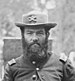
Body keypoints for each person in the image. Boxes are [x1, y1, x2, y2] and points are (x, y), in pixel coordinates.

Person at [3, 10, 75, 81]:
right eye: (29, 33)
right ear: (23, 36)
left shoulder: (62, 66)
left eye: (39, 33)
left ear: (47, 35)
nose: (34, 38)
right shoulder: (12, 68)